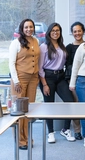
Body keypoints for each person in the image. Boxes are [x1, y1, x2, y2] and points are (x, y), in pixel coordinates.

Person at [39, 22, 76, 144]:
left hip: (60, 77)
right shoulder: (44, 47)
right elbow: (40, 68)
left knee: (70, 102)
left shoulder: (62, 46)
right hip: (47, 77)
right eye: (53, 30)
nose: (55, 32)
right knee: (49, 105)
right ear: (49, 32)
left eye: (58, 30)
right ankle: (50, 132)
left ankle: (65, 129)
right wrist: (44, 84)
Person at [9, 19, 40, 150]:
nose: (29, 29)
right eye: (26, 27)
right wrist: (16, 81)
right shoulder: (15, 43)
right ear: (22, 29)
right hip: (20, 78)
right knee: (19, 110)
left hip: (33, 78)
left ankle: (27, 137)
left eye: (31, 27)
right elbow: (11, 63)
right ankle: (20, 140)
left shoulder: (36, 41)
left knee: (29, 109)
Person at [65, 21, 85, 140]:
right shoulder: (69, 47)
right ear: (72, 33)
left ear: (83, 31)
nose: (77, 33)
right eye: (75, 31)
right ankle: (77, 130)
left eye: (79, 31)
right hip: (73, 79)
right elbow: (66, 64)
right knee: (76, 104)